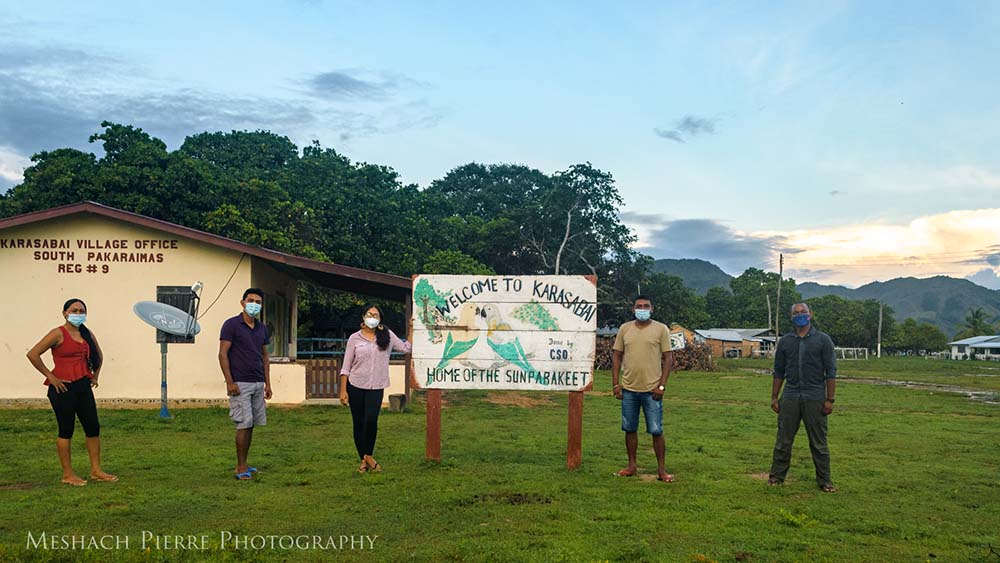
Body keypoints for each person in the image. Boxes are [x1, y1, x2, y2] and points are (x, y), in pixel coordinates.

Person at [26, 298, 117, 486]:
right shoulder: (57, 333)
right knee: (66, 430)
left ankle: (96, 470)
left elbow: (98, 356)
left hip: (83, 386)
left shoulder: (87, 333)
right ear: (65, 313)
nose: (78, 313)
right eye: (74, 310)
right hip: (62, 387)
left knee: (93, 427)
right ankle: (67, 474)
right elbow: (33, 354)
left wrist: (95, 375)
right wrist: (51, 377)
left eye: (81, 310)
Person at [768, 302, 838, 492]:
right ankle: (776, 477)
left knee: (818, 442)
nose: (800, 315)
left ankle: (825, 481)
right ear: (791, 317)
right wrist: (775, 397)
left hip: (815, 395)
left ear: (810, 314)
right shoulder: (785, 342)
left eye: (803, 312)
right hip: (790, 394)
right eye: (796, 313)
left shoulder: (823, 340)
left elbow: (831, 372)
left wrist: (830, 400)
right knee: (783, 439)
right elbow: (778, 372)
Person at [339, 304, 411, 473]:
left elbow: (406, 348)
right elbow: (346, 366)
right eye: (369, 314)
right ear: (364, 317)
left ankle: (368, 456)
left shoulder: (386, 335)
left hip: (376, 385)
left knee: (371, 420)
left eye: (376, 315)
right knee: (358, 422)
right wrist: (343, 390)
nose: (372, 317)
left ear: (380, 320)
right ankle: (365, 459)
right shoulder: (354, 338)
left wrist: (412, 329)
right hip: (355, 384)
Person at [611, 295, 675, 482]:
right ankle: (632, 466)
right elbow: (617, 356)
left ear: (652, 309)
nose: (642, 308)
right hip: (629, 389)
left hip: (652, 390)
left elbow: (668, 358)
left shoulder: (661, 329)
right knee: (629, 428)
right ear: (633, 309)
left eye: (646, 306)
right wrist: (616, 384)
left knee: (656, 430)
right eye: (639, 306)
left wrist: (662, 385)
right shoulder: (624, 329)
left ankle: (662, 471)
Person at [219, 288, 271, 481]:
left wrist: (267, 383)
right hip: (240, 383)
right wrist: (230, 381)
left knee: (251, 425)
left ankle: (245, 463)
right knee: (243, 423)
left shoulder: (262, 328)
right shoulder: (231, 325)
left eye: (258, 302)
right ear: (242, 302)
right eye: (251, 300)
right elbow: (223, 354)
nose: (254, 304)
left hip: (258, 382)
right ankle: (240, 468)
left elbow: (265, 356)